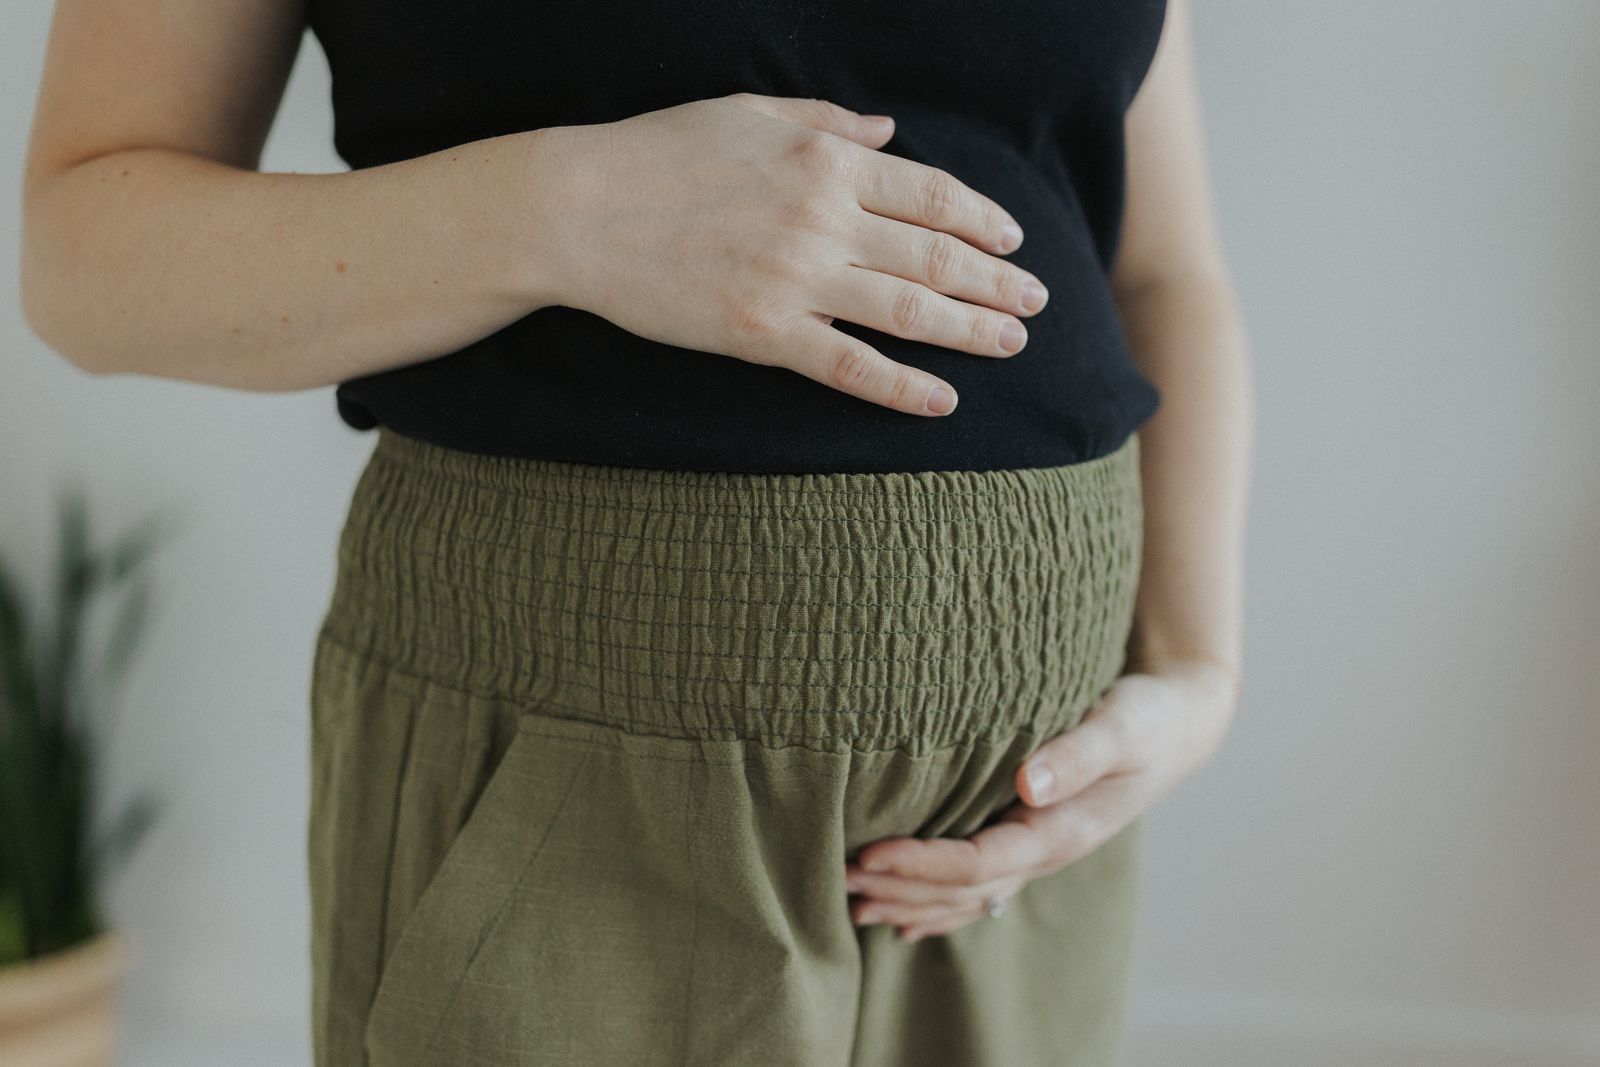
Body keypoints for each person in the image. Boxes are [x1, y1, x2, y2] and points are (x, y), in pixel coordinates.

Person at [19, 0, 1252, 1061]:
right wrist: (564, 210)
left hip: (1018, 830)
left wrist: (1197, 666)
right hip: (571, 790)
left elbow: (1161, 267)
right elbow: (83, 254)